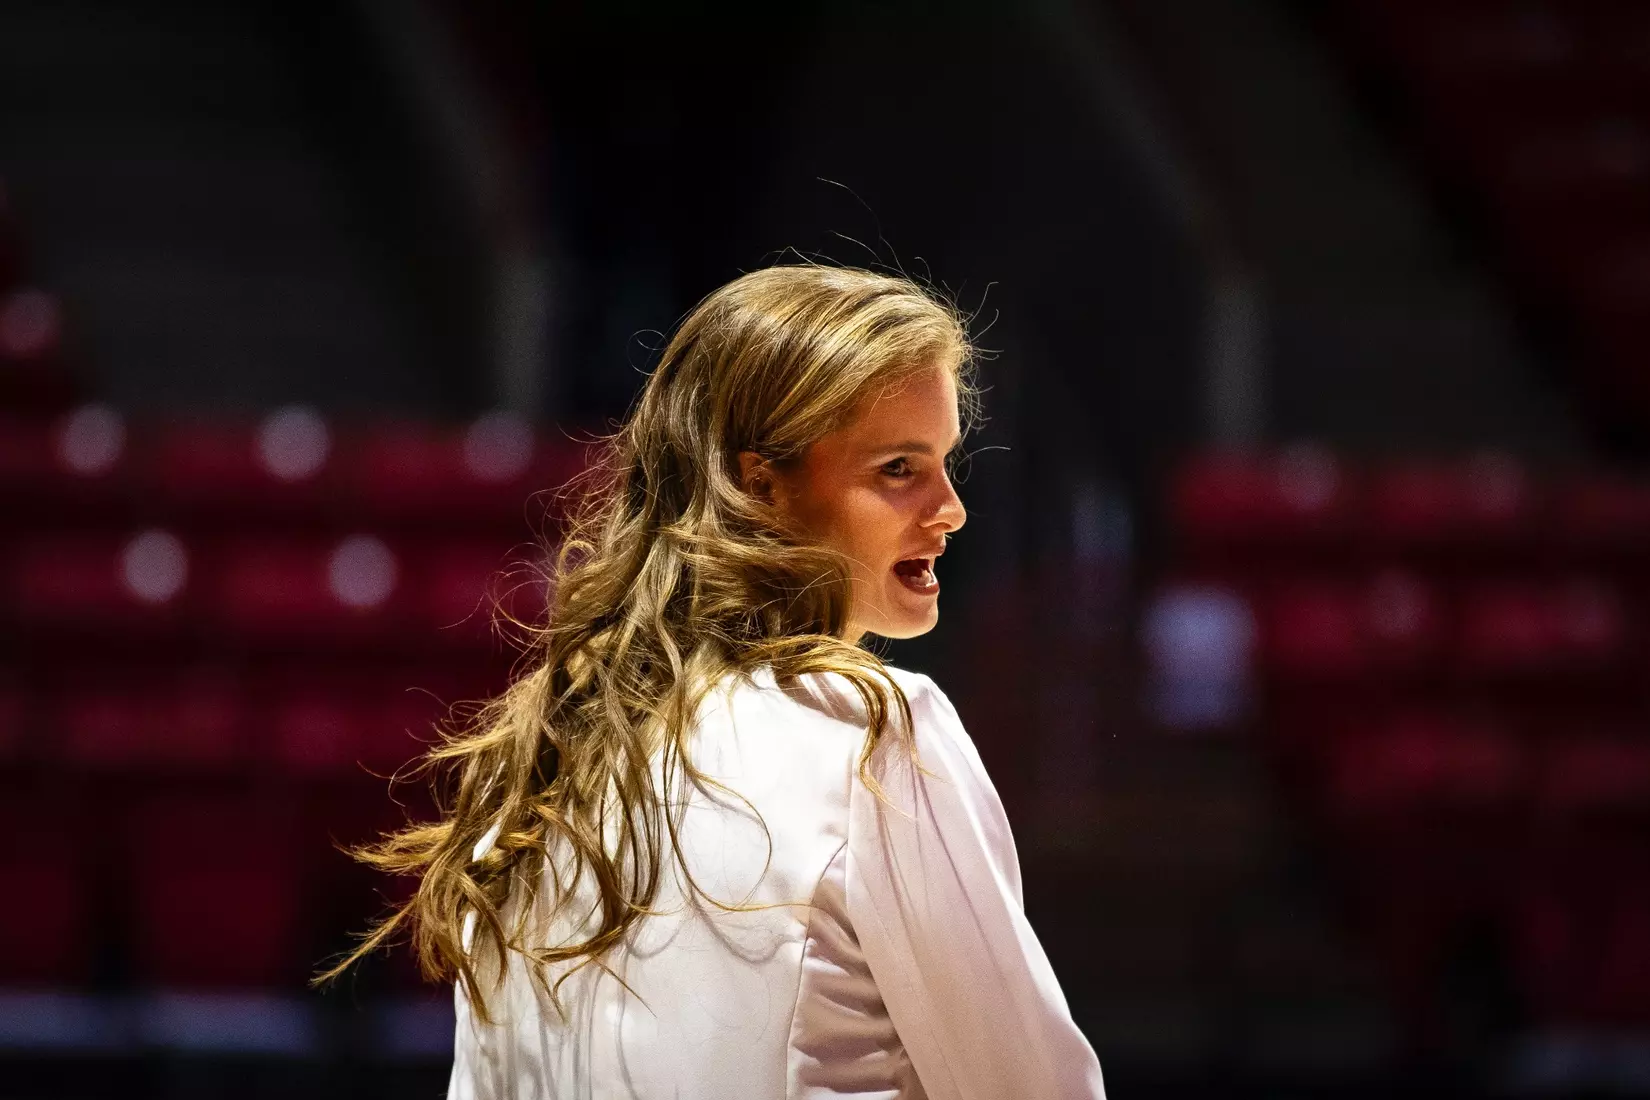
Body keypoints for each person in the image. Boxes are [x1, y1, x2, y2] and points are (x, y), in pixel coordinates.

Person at [323, 264, 1107, 1098]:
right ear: (759, 485)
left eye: (945, 464)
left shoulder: (545, 753)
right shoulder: (874, 732)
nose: (949, 508)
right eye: (898, 470)